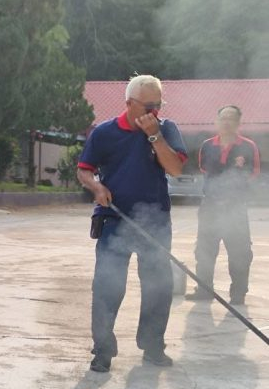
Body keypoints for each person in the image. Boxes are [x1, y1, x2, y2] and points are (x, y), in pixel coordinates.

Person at [77, 74, 188, 373]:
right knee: (107, 286)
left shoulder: (167, 129)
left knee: (157, 287)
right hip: (114, 219)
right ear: (129, 103)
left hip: (155, 221)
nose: (155, 113)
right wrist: (97, 188)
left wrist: (155, 136)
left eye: (159, 105)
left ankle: (152, 347)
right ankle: (102, 350)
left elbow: (175, 169)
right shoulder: (104, 133)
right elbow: (84, 170)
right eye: (149, 106)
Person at [187, 105, 260, 305]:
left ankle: (238, 294)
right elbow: (203, 168)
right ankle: (204, 290)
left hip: (235, 209)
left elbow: (253, 173)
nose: (227, 121)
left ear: (238, 122)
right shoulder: (207, 145)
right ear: (217, 121)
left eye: (231, 118)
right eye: (223, 118)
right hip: (210, 207)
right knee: (204, 250)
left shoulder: (248, 146)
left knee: (240, 253)